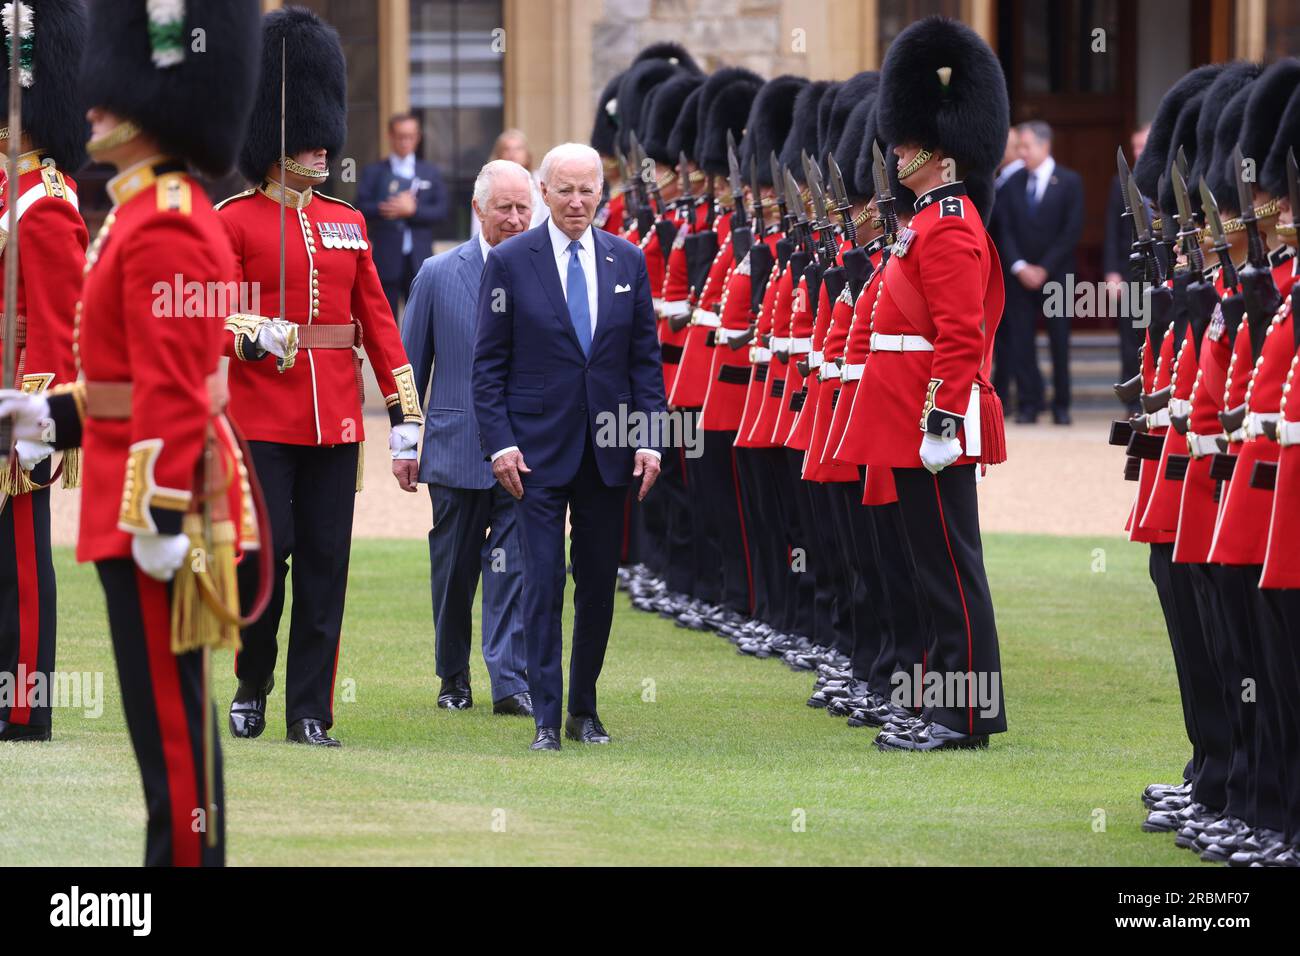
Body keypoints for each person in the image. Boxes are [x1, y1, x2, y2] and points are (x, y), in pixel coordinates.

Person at [0, 0, 263, 865]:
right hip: (145, 497)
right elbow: (121, 382)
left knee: (174, 731)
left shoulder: (167, 222)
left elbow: (177, 389)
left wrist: (157, 514)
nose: (92, 106)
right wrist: (41, 416)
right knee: (162, 726)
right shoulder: (142, 210)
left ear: (160, 110)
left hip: (159, 507)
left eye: (115, 96)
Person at [219, 7, 423, 748]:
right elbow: (208, 313)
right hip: (261, 420)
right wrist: (250, 332)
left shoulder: (348, 223)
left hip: (335, 419)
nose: (317, 145)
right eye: (303, 134)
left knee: (327, 569)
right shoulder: (233, 221)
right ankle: (252, 679)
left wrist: (406, 416)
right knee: (261, 558)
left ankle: (310, 710)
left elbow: (380, 325)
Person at [842, 16, 1010, 751]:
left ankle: (963, 715)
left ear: (940, 153)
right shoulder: (925, 222)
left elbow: (961, 335)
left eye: (906, 143)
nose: (896, 152)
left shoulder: (948, 227)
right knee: (928, 570)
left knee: (949, 573)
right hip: (908, 416)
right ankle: (941, 703)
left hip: (929, 422)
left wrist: (942, 420)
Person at [473, 142, 666, 751]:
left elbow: (644, 362)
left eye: (588, 191)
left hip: (609, 451)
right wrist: (499, 445)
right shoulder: (510, 261)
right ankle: (545, 721)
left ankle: (584, 709)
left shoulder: (626, 261)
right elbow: (487, 367)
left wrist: (651, 440)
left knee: (597, 585)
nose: (577, 201)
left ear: (600, 197)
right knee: (542, 584)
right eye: (565, 190)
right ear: (544, 193)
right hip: (534, 454)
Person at [401, 159, 533, 716]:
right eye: (504, 207)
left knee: (512, 568)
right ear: (479, 209)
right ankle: (453, 675)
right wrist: (407, 443)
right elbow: (410, 366)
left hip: (525, 452)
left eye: (524, 206)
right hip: (456, 449)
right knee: (455, 571)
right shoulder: (435, 274)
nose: (515, 217)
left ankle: (510, 680)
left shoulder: (546, 273)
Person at [0, 0, 88, 743]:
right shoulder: (6, 190)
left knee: (21, 571)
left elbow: (55, 326)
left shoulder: (46, 199)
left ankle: (25, 709)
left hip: (14, 413)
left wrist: (38, 422)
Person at [992, 120, 1084, 424]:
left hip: (1056, 275)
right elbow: (1004, 231)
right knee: (1021, 340)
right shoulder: (1013, 183)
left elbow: (1071, 232)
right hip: (1019, 277)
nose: (1021, 152)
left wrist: (1044, 268)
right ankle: (1030, 403)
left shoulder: (1069, 181)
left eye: (1026, 146)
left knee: (1059, 340)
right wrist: (1019, 266)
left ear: (1045, 146)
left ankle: (1061, 405)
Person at [357, 113, 448, 321]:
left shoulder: (430, 171)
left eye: (410, 136)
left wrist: (413, 211)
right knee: (385, 317)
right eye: (400, 136)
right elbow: (360, 207)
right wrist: (389, 207)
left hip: (420, 255)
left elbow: (442, 210)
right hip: (386, 254)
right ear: (390, 136)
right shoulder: (374, 171)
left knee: (420, 318)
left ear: (418, 137)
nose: (405, 141)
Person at [1103, 123, 1149, 412]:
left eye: (1144, 146)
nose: (1139, 152)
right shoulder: (1119, 182)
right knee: (1130, 341)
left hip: (1163, 271)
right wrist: (1111, 274)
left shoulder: (1168, 180)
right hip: (1129, 271)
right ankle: (1132, 402)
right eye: (1135, 147)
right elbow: (1111, 232)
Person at [469, 130, 547, 238]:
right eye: (507, 149)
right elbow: (478, 227)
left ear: (527, 154)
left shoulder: (540, 183)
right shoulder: (487, 184)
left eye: (518, 149)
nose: (512, 154)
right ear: (499, 153)